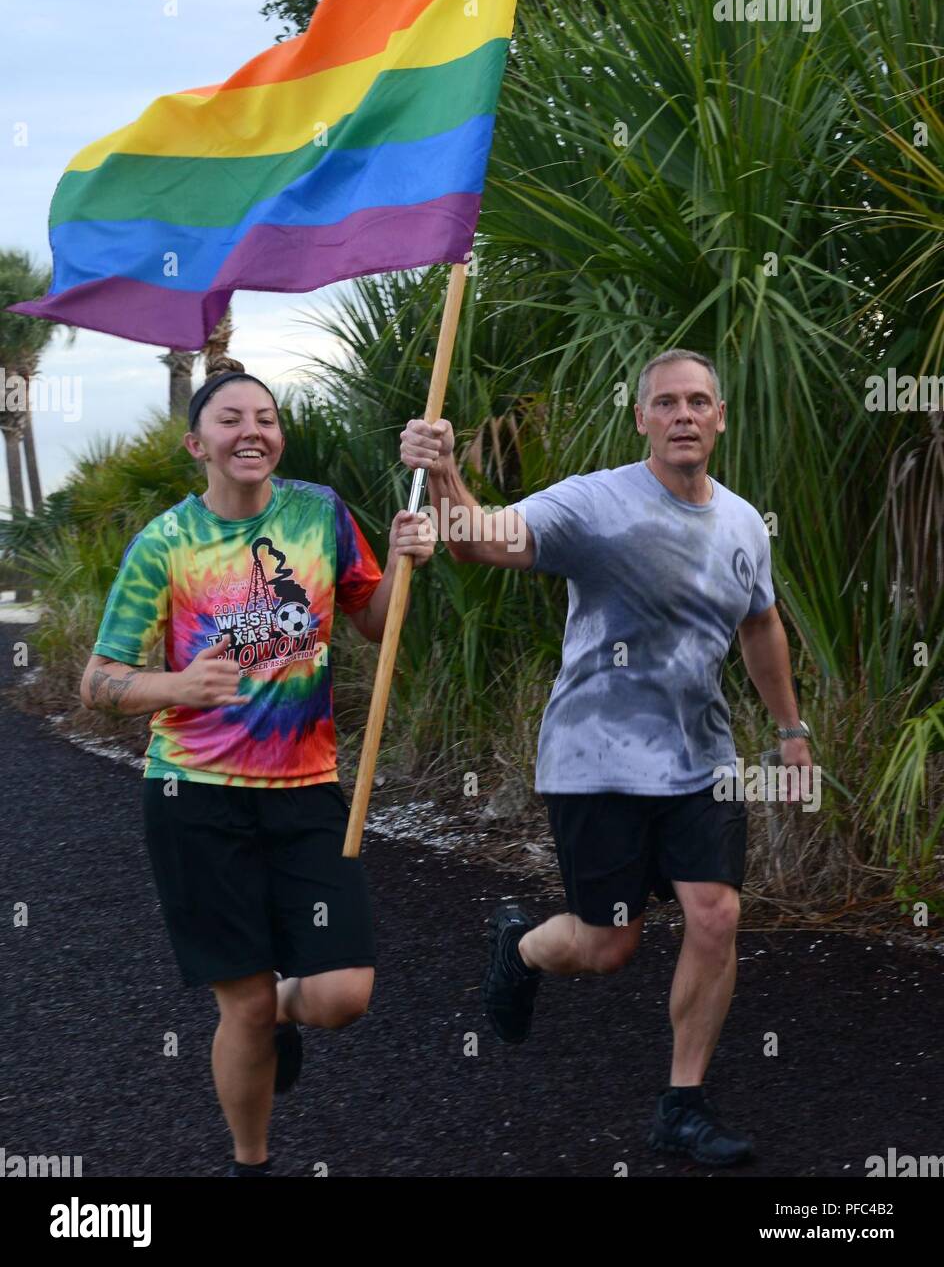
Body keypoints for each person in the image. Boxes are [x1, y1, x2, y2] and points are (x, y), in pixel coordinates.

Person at [400, 349, 814, 1168]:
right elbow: (484, 543)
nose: (684, 415)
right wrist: (446, 474)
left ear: (720, 417)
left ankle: (682, 1105)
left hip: (702, 759)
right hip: (596, 760)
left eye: (699, 402)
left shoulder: (741, 522)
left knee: (716, 914)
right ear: (642, 420)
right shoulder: (595, 503)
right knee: (608, 944)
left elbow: (760, 625)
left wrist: (791, 731)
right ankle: (520, 946)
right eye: (666, 403)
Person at [81, 356, 434, 1177]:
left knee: (343, 995)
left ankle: (278, 1008)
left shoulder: (320, 514)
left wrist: (416, 558)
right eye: (232, 420)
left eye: (266, 418)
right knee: (237, 1005)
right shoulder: (164, 545)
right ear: (196, 443)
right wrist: (177, 683)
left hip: (309, 790)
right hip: (195, 797)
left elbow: (377, 624)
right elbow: (99, 681)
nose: (252, 432)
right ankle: (252, 1160)